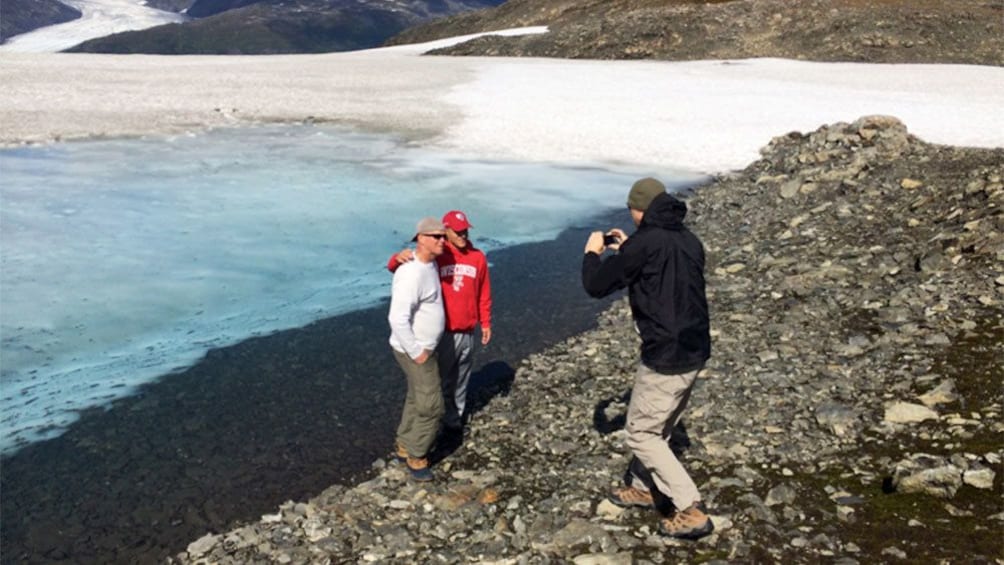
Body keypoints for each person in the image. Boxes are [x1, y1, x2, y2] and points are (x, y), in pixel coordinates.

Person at [581, 177, 713, 540]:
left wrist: (593, 253)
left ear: (637, 210)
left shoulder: (645, 243)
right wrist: (629, 249)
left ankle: (690, 507)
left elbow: (596, 286)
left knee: (641, 433)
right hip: (695, 347)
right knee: (662, 424)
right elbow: (660, 274)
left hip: (665, 352)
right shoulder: (687, 239)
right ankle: (641, 486)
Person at [387, 210, 492, 432]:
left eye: (465, 230)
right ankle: (432, 425)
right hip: (444, 333)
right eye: (457, 232)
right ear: (447, 231)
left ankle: (454, 421)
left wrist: (485, 322)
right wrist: (396, 258)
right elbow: (408, 265)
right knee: (434, 383)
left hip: (468, 330)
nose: (462, 235)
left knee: (461, 378)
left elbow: (483, 292)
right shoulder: (441, 255)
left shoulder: (478, 257)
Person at [388, 217, 448, 482]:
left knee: (416, 396)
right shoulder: (411, 273)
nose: (442, 241)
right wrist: (417, 352)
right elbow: (397, 318)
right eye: (436, 236)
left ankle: (405, 443)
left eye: (443, 236)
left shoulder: (429, 263)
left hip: (423, 347)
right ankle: (417, 455)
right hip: (415, 351)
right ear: (421, 238)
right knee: (432, 405)